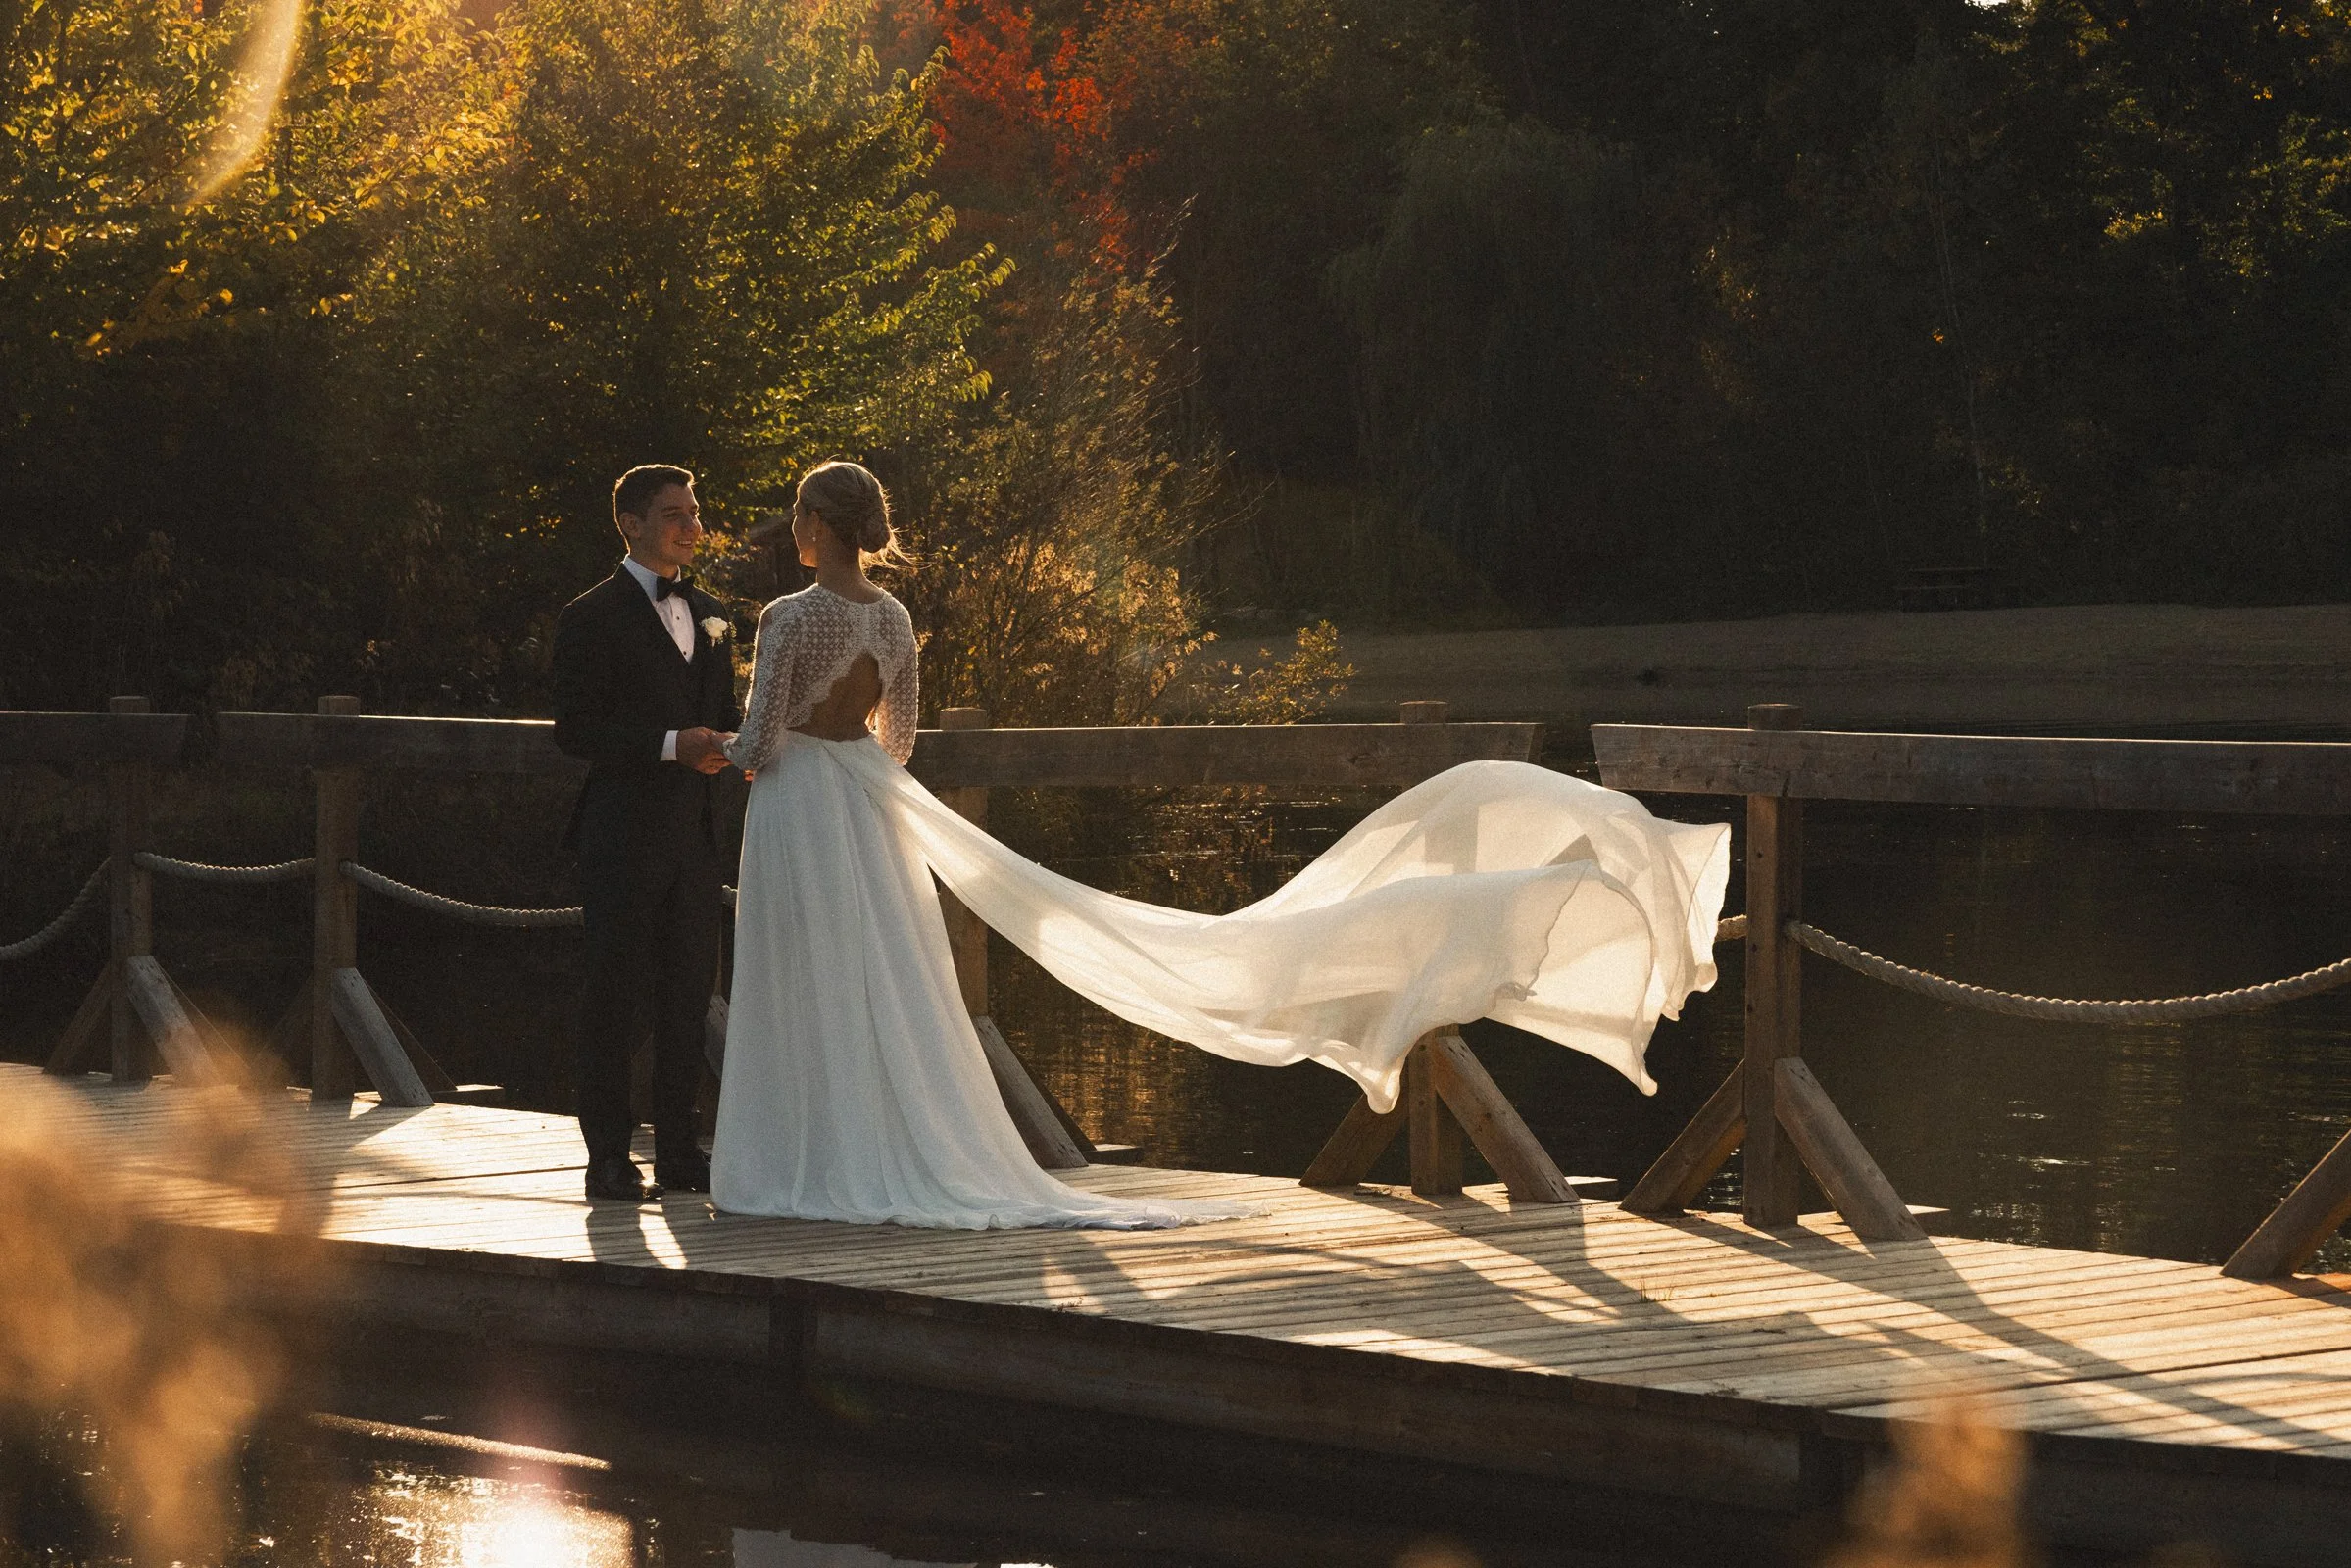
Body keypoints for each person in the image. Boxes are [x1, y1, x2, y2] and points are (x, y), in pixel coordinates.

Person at [711, 460, 1732, 1230]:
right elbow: (901, 743)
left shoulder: (789, 617)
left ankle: (806, 1160)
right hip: (868, 814)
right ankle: (880, 1150)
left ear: (813, 525)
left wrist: (714, 749)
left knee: (801, 980)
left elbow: (759, 741)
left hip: (801, 810)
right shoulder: (889, 620)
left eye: (797, 518)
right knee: (878, 983)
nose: (793, 533)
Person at [553, 465, 742, 1202]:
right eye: (673, 515)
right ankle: (606, 1159)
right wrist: (669, 744)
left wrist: (741, 745)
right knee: (613, 999)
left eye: (694, 512)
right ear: (631, 524)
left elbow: (720, 711)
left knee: (687, 998)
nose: (691, 526)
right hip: (621, 835)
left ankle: (680, 1153)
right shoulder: (590, 616)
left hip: (696, 839)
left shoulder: (717, 612)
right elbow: (574, 730)